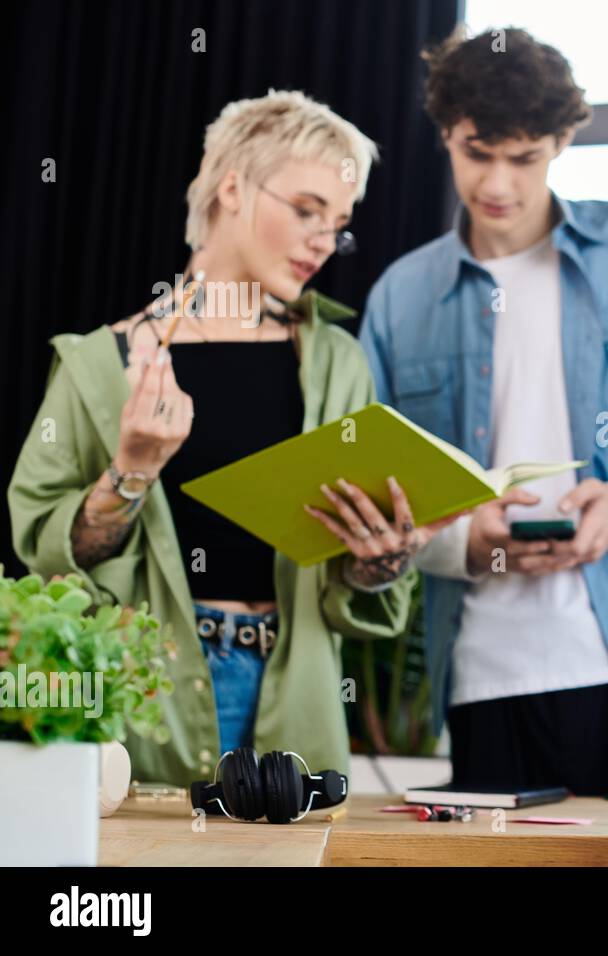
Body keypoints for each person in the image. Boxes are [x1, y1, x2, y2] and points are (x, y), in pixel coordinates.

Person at [8, 90, 456, 786]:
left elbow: (349, 583)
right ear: (231, 187)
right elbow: (49, 560)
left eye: (337, 223)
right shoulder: (100, 363)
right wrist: (129, 471)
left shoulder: (335, 360)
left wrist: (379, 561)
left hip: (297, 698)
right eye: (306, 210)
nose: (322, 240)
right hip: (150, 702)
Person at [360, 27, 608, 794]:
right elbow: (379, 484)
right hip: (490, 674)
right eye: (478, 153)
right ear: (446, 134)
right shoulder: (400, 296)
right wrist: (468, 538)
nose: (498, 182)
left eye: (524, 157)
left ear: (562, 141)